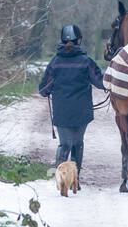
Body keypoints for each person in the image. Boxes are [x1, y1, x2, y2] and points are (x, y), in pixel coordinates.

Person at [37, 24, 106, 176]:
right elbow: (100, 83)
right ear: (79, 40)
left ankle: (61, 178)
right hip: (82, 112)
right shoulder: (86, 61)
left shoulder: (55, 62)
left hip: (62, 112)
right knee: (77, 144)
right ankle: (75, 179)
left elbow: (43, 90)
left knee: (64, 144)